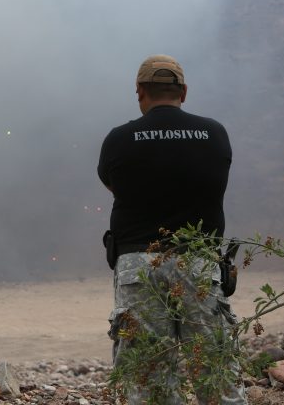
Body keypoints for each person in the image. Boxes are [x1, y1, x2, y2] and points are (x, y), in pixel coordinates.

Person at [98, 55, 247, 405]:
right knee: (217, 374)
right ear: (183, 91)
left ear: (139, 92)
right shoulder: (214, 133)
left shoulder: (119, 139)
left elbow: (114, 186)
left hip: (139, 265)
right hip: (198, 263)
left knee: (147, 382)